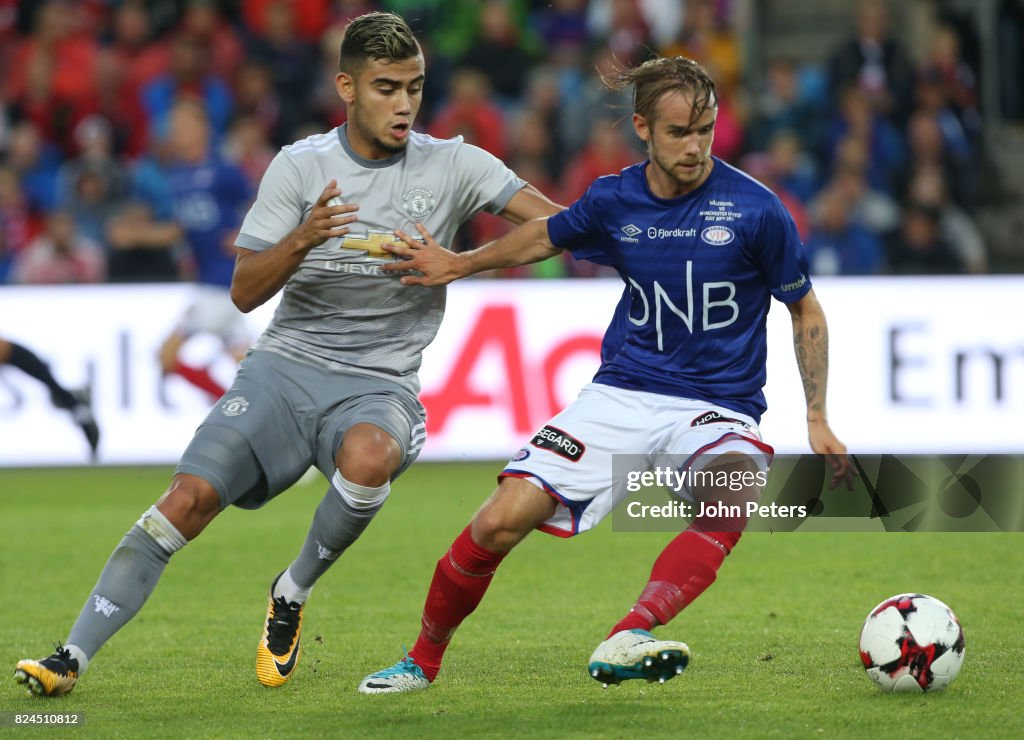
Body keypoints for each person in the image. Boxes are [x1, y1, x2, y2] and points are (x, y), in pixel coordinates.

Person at [14, 11, 562, 698]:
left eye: (415, 88)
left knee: (367, 460)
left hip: (378, 383)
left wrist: (462, 262)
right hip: (283, 369)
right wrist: (302, 240)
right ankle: (70, 656)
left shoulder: (455, 163)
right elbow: (244, 291)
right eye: (387, 87)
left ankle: (292, 590)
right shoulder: (301, 166)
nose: (404, 104)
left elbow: (558, 225)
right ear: (347, 87)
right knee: (186, 499)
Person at [358, 56, 854, 694]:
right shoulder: (615, 198)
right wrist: (460, 263)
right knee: (498, 521)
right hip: (618, 395)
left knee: (733, 489)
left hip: (715, 405)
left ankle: (633, 631)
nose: (695, 146)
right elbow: (544, 236)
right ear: (643, 128)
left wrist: (815, 415)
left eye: (705, 129)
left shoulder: (757, 210)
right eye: (679, 132)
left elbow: (803, 307)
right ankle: (420, 662)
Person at [0, 337, 99, 460]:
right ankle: (77, 407)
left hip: (13, 352)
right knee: (55, 388)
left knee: (55, 388)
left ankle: (79, 408)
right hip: (10, 355)